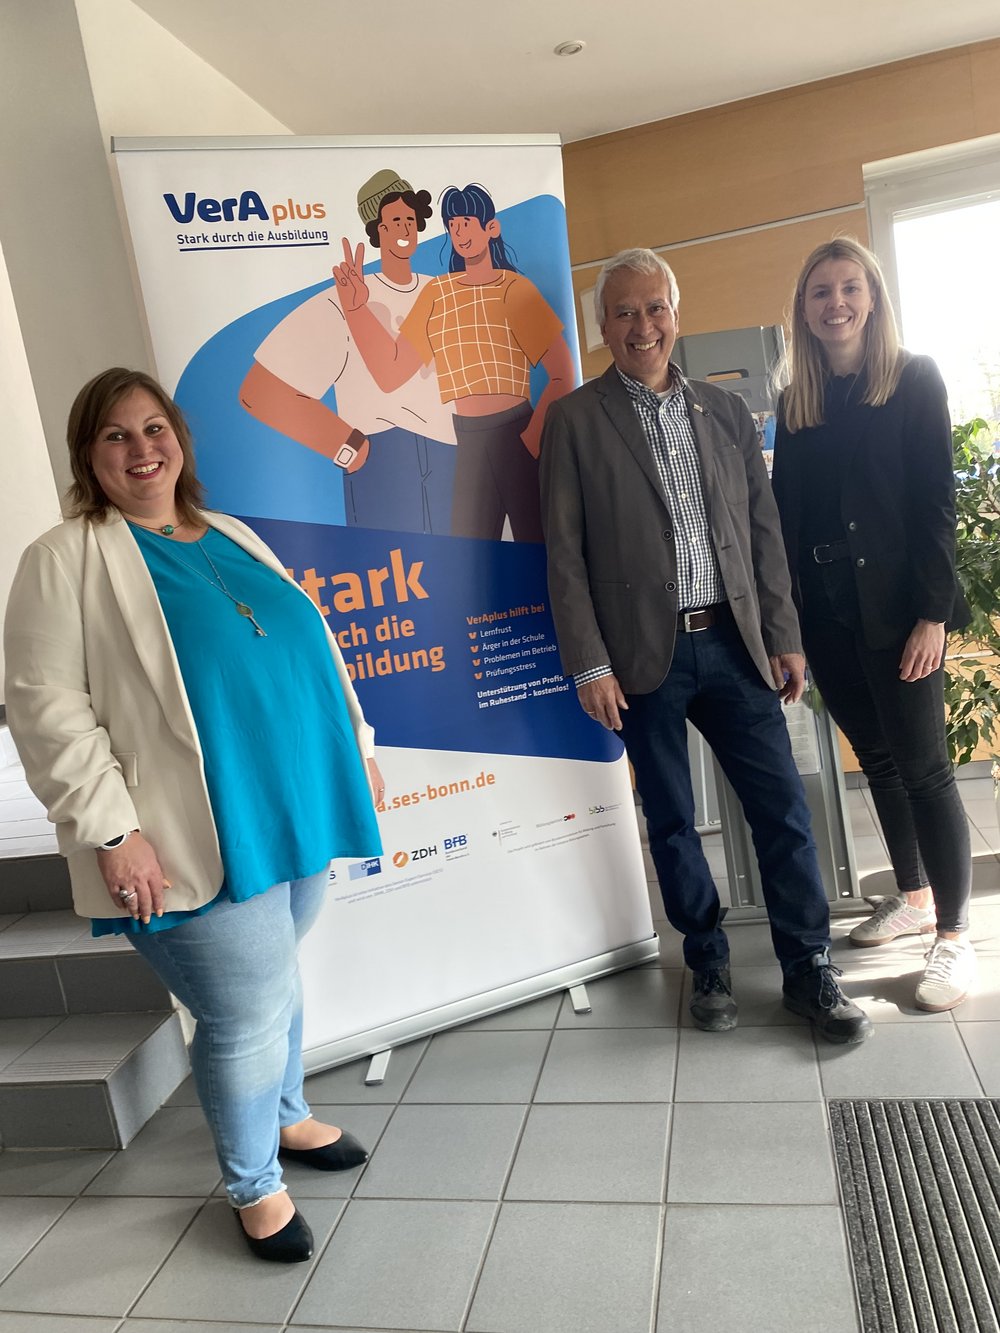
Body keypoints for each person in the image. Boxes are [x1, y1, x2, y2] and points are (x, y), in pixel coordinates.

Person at [4, 368, 385, 1263]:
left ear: (178, 437)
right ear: (88, 457)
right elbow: (47, 709)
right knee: (244, 1006)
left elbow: (312, 646)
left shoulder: (229, 530)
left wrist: (358, 743)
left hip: (290, 801)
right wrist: (113, 830)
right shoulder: (64, 559)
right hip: (179, 826)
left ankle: (285, 1114)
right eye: (115, 435)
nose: (142, 449)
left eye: (154, 428)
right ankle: (254, 1183)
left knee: (275, 976)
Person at [539, 247, 871, 1044]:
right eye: (624, 312)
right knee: (672, 821)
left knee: (782, 811)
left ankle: (808, 966)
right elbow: (564, 553)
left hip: (734, 643)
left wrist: (783, 634)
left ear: (675, 315)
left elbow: (763, 531)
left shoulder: (723, 411)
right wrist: (589, 662)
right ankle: (709, 960)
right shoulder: (576, 421)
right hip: (639, 656)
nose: (642, 326)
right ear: (602, 326)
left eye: (655, 308)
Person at [771, 237, 975, 1011]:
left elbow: (936, 505)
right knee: (879, 762)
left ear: (873, 297)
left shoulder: (914, 379)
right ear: (804, 309)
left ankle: (954, 934)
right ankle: (914, 896)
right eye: (821, 291)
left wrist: (933, 614)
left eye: (849, 287)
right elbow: (785, 520)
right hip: (827, 616)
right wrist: (789, 628)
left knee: (924, 769)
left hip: (900, 612)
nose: (836, 303)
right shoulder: (797, 402)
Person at [333, 182, 575, 542]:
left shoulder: (515, 290)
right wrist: (356, 309)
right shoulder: (437, 295)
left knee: (539, 550)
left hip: (517, 432)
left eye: (467, 222)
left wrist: (531, 440)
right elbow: (390, 372)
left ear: (491, 228)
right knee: (467, 555)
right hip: (466, 440)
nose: (459, 232)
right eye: (453, 224)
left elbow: (563, 375)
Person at [240, 168, 457, 535]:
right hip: (385, 462)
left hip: (454, 459)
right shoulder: (343, 298)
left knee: (465, 569)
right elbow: (259, 391)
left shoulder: (443, 293)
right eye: (394, 221)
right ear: (377, 229)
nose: (405, 229)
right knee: (391, 569)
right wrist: (351, 448)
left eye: (410, 219)